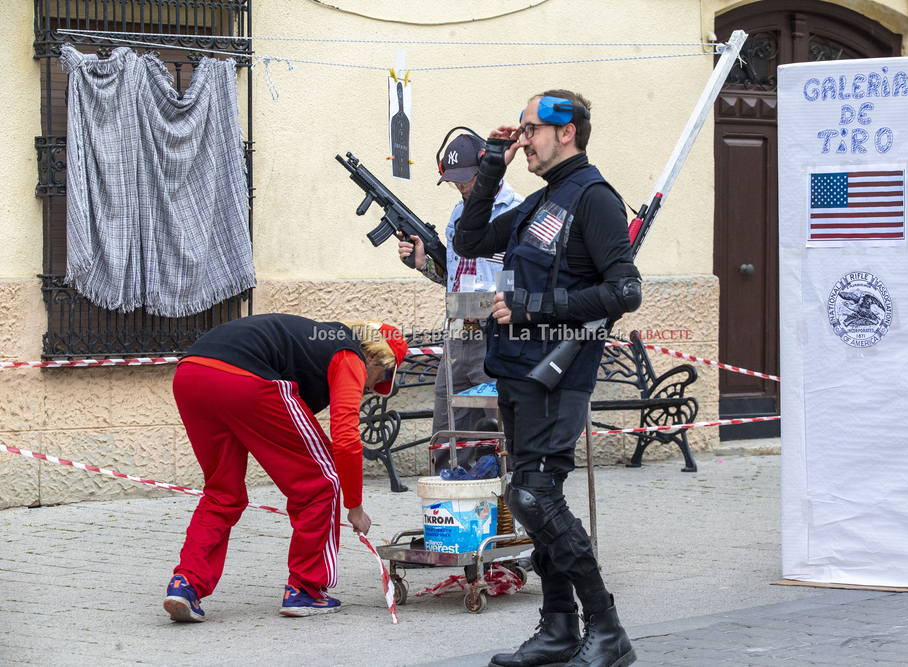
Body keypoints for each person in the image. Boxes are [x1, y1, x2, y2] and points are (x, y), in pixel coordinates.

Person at [454, 91, 642, 667]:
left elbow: (624, 290)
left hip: (560, 372)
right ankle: (560, 625)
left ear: (567, 132)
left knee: (536, 494)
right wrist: (491, 165)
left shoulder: (593, 198)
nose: (523, 138)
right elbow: (468, 241)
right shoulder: (542, 201)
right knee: (528, 497)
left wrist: (532, 305)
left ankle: (606, 629)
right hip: (516, 370)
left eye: (531, 129)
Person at [162, 314, 408, 622]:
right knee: (322, 482)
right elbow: (345, 437)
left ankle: (186, 583)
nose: (374, 386)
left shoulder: (320, 339)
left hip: (191, 374)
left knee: (222, 493)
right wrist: (355, 505)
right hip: (244, 378)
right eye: (382, 376)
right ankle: (306, 589)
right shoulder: (350, 355)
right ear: (374, 355)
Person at [398, 130, 522, 472]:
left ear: (487, 169)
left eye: (466, 178)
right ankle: (450, 507)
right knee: (446, 431)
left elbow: (515, 275)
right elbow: (454, 279)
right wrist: (424, 264)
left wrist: (502, 310)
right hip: (457, 332)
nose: (461, 186)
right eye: (453, 180)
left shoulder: (516, 211)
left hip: (493, 331)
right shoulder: (456, 215)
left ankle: (505, 509)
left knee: (501, 432)